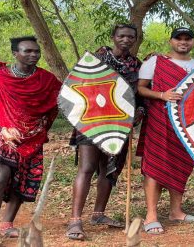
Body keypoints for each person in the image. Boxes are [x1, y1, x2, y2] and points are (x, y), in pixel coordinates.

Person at [0, 36, 61, 247]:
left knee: (23, 182)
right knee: (0, 177)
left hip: (33, 136)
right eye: (27, 51)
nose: (33, 55)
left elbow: (62, 99)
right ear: (15, 53)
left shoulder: (46, 79)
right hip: (4, 135)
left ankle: (7, 223)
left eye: (36, 51)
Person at [66, 24, 144, 240]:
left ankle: (99, 214)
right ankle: (75, 220)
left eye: (131, 36)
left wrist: (139, 110)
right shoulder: (97, 58)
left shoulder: (137, 65)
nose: (126, 40)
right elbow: (78, 87)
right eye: (122, 36)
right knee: (87, 167)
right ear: (113, 37)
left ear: (135, 39)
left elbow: (139, 95)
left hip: (120, 124)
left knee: (109, 170)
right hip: (92, 121)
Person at [136, 27, 194, 235]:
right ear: (171, 41)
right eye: (178, 38)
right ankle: (151, 215)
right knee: (155, 164)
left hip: (188, 122)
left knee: (181, 163)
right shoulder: (155, 62)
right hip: (160, 119)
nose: (183, 42)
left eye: (187, 39)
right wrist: (162, 95)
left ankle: (176, 211)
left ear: (193, 42)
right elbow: (141, 88)